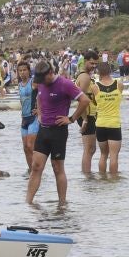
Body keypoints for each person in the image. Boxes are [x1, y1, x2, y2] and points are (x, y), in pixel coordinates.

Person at [25, 60, 79, 207]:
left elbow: (84, 101)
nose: (42, 82)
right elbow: (38, 97)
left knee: (57, 168)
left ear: (50, 73)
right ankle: (28, 204)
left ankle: (62, 204)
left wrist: (71, 119)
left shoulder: (65, 83)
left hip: (58, 132)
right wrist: (40, 114)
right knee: (36, 166)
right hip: (43, 130)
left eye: (44, 79)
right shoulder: (42, 82)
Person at [90, 60, 124, 176]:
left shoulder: (95, 87)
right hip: (114, 124)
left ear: (98, 72)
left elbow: (95, 102)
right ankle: (114, 180)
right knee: (114, 156)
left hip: (100, 124)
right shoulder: (119, 84)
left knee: (103, 155)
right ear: (110, 71)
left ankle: (102, 179)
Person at [14, 59, 39, 163]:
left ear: (29, 71)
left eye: (24, 70)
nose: (22, 72)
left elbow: (43, 95)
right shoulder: (19, 85)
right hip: (24, 118)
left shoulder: (33, 82)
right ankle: (31, 171)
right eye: (20, 70)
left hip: (34, 118)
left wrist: (39, 109)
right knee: (25, 148)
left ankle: (37, 170)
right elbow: (22, 101)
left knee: (31, 146)